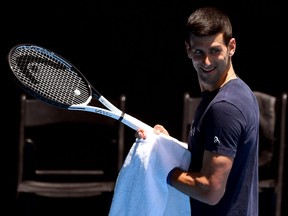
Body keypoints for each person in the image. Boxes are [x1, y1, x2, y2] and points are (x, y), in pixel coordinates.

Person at [136, 6, 259, 216]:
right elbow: (209, 156)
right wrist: (167, 147)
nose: (206, 62)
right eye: (198, 52)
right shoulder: (232, 94)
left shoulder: (224, 107)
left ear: (231, 47)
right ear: (188, 50)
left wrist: (161, 168)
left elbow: (210, 189)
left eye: (214, 50)